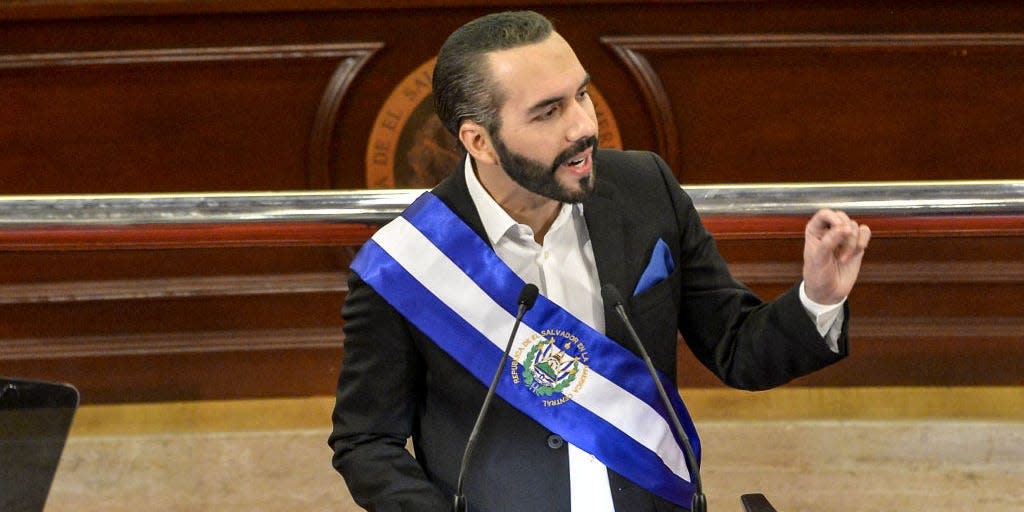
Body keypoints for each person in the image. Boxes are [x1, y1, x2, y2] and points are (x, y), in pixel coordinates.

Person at [328, 10, 871, 512]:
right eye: (548, 112)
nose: (582, 127)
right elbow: (366, 442)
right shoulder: (409, 263)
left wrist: (819, 297)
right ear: (479, 140)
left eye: (581, 95)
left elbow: (738, 349)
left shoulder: (646, 190)